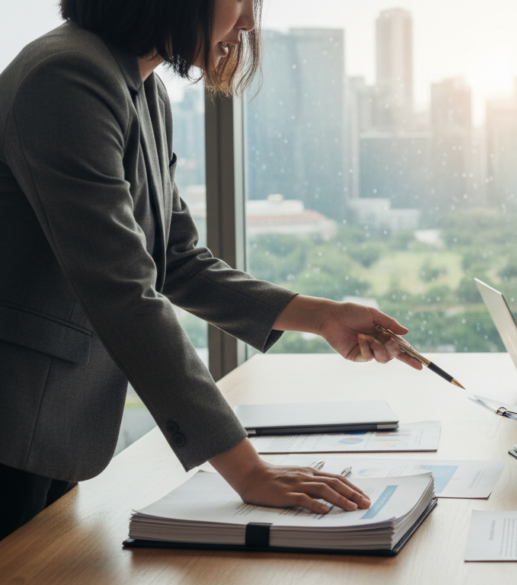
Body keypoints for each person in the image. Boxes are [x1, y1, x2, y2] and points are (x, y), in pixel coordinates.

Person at [0, 0, 423, 540]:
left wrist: (324, 317)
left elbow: (176, 260)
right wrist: (246, 469)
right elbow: (123, 292)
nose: (248, 22)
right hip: (16, 427)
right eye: (241, 0)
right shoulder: (65, 78)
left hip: (49, 430)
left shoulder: (140, 87)